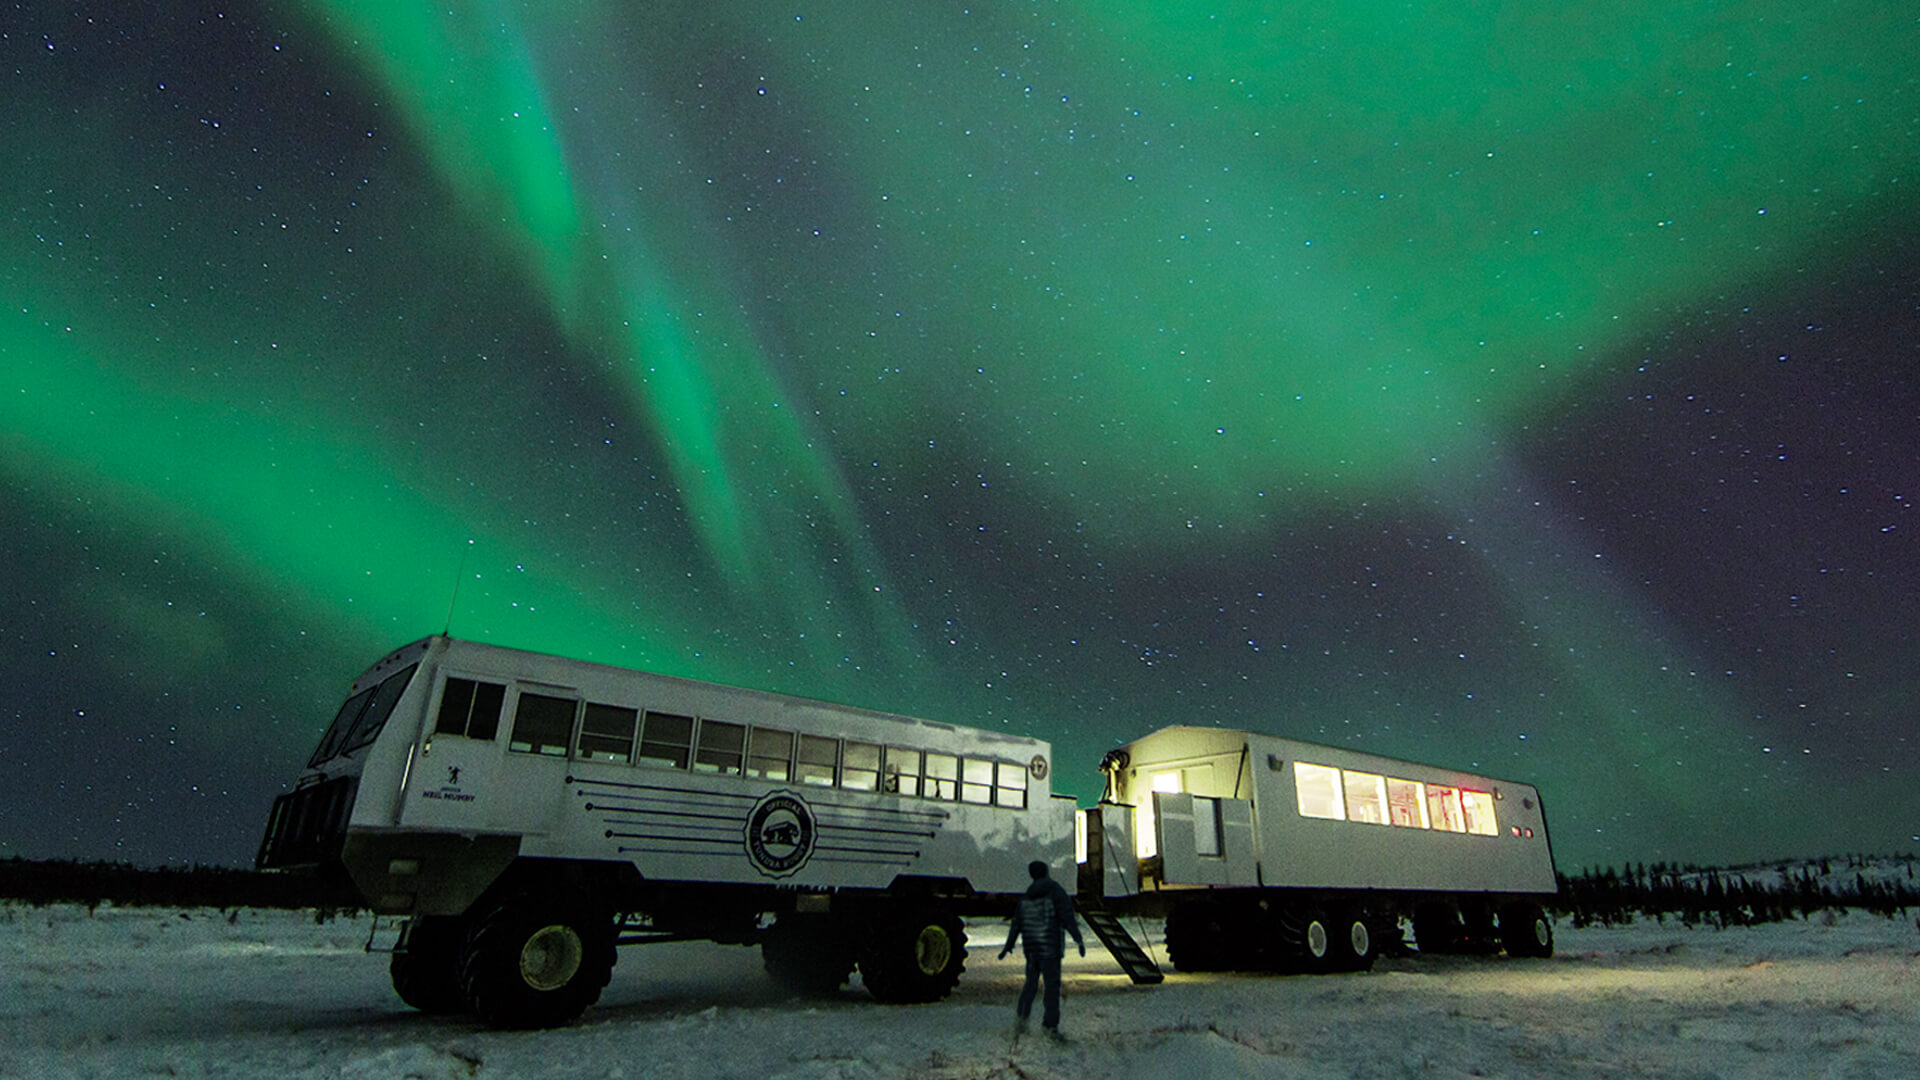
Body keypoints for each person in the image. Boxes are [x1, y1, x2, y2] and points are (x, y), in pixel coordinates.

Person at [998, 859, 1086, 1041]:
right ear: (1046, 872)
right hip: (1050, 948)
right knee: (1051, 988)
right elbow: (1067, 916)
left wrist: (1009, 946)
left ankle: (1021, 1022)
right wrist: (1078, 939)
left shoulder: (1027, 896)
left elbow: (1017, 923)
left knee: (1030, 985)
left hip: (1032, 949)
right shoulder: (1056, 891)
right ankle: (1050, 1027)